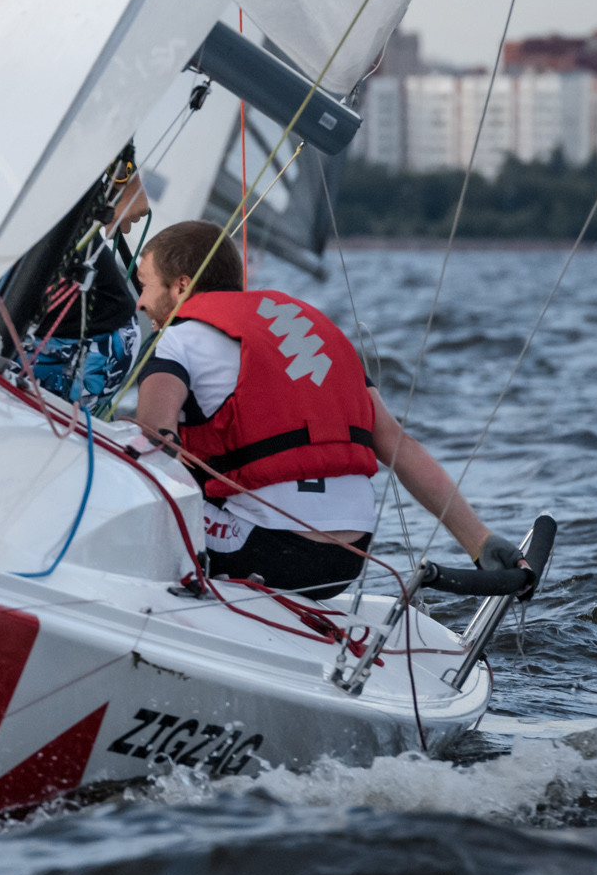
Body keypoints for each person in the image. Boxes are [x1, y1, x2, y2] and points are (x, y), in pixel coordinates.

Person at [128, 219, 524, 599]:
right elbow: (398, 446)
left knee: (129, 474)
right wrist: (480, 541)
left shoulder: (179, 339)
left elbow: (154, 436)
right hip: (347, 560)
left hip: (262, 549)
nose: (141, 303)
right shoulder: (312, 332)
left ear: (181, 286)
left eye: (143, 285)